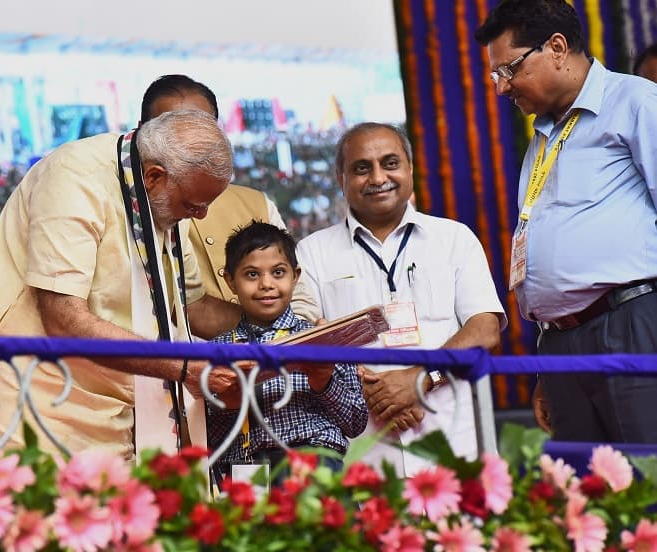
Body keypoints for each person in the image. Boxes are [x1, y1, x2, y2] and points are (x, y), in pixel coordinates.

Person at [0, 109, 240, 461]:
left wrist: (272, 335)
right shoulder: (74, 177)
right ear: (154, 176)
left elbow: (191, 306)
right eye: (193, 204)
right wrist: (184, 369)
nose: (201, 217)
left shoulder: (165, 201)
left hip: (112, 406)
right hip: (28, 398)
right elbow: (64, 321)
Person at [475, 0, 657, 442]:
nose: (502, 87)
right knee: (583, 495)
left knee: (645, 480)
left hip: (629, 323)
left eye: (509, 70)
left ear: (556, 47)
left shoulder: (635, 101)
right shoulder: (543, 133)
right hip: (559, 344)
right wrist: (547, 365)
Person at [297, 123, 505, 476]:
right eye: (362, 168)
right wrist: (382, 397)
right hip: (365, 453)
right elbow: (305, 344)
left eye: (390, 163)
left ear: (409, 167)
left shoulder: (454, 239)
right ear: (340, 178)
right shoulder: (312, 252)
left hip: (454, 445)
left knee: (464, 533)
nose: (378, 177)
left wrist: (421, 379)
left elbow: (485, 330)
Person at [139, 75, 319, 321]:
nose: (187, 141)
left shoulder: (256, 204)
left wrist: (291, 343)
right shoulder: (124, 208)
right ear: (141, 132)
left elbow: (298, 298)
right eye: (170, 130)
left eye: (201, 128)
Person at [208, 221, 367, 481]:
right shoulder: (216, 352)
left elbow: (356, 422)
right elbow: (204, 436)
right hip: (244, 475)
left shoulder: (324, 342)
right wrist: (228, 403)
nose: (266, 284)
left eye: (278, 272)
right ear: (230, 280)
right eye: (251, 274)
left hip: (316, 467)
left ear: (296, 276)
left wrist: (323, 382)